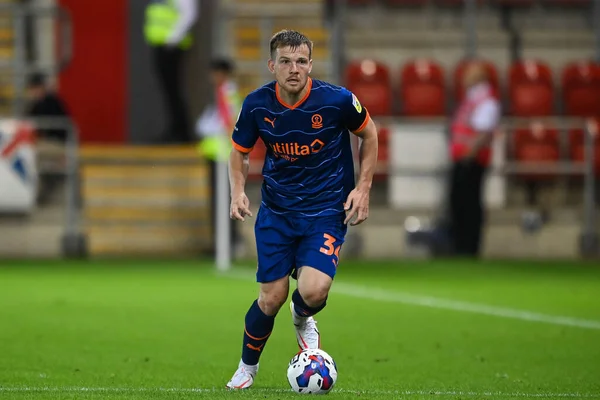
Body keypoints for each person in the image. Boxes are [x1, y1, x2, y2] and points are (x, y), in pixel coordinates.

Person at [225, 29, 378, 390]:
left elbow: (369, 134)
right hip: (278, 212)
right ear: (271, 65)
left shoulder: (337, 100)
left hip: (326, 209)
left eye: (301, 61)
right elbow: (239, 152)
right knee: (270, 297)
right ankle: (247, 367)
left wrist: (364, 187)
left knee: (313, 291)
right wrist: (237, 192)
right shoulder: (256, 105)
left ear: (311, 64)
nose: (294, 68)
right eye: (286, 61)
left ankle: (303, 315)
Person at [448, 61, 501, 257]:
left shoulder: (485, 100)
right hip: (463, 158)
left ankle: (469, 246)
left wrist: (468, 153)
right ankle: (460, 244)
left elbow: (482, 131)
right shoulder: (472, 99)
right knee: (459, 202)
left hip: (471, 160)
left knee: (470, 203)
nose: (464, 77)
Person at [196, 58, 243, 258]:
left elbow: (230, 122)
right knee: (221, 200)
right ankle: (223, 243)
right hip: (218, 153)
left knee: (225, 200)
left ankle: (230, 243)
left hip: (223, 154)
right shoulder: (224, 92)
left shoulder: (227, 92)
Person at [144, 0, 198, 143]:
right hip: (162, 43)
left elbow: (189, 13)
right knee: (169, 90)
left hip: (172, 45)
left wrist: (172, 38)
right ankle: (176, 129)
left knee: (173, 89)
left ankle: (181, 132)